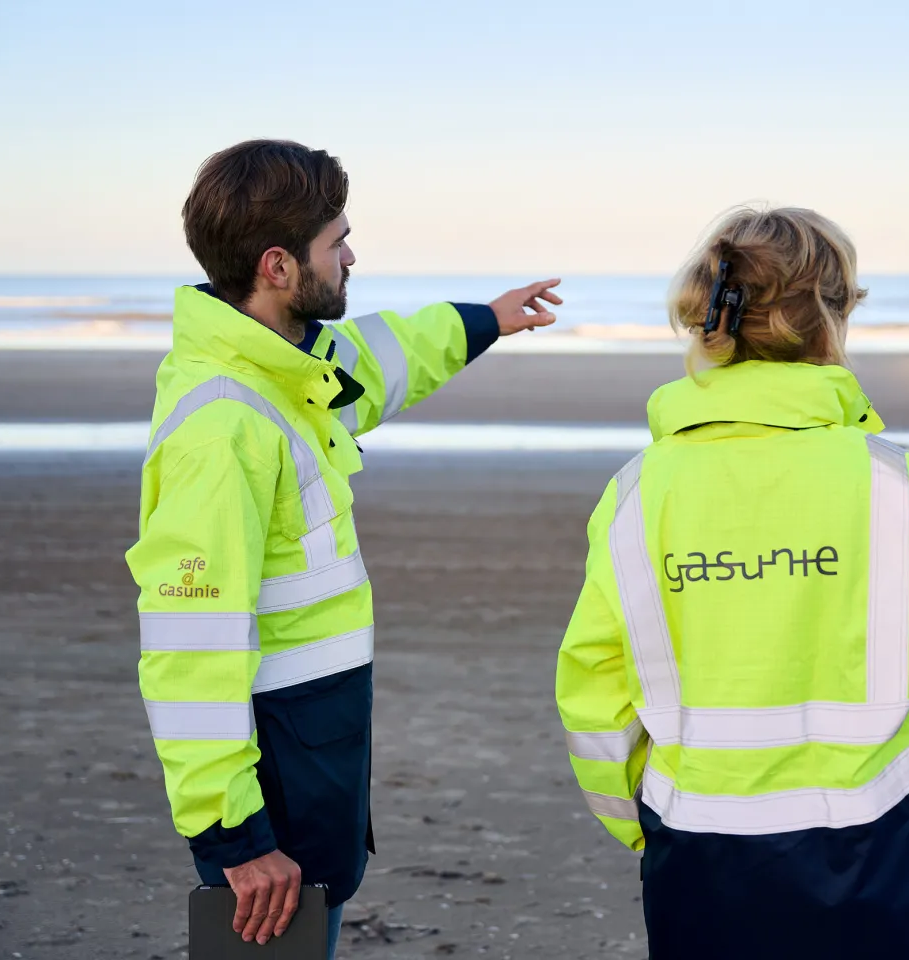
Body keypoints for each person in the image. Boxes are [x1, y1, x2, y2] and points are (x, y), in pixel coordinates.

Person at [126, 139, 561, 957]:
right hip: (271, 769)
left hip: (314, 744)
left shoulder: (293, 369)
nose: (353, 255)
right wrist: (234, 838)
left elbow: (387, 356)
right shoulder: (226, 426)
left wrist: (487, 320)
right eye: (338, 242)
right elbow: (187, 646)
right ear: (279, 266)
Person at [554, 206, 909, 958]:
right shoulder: (899, 485)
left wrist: (642, 819)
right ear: (830, 320)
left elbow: (594, 684)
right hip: (884, 838)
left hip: (697, 846)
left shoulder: (639, 489)